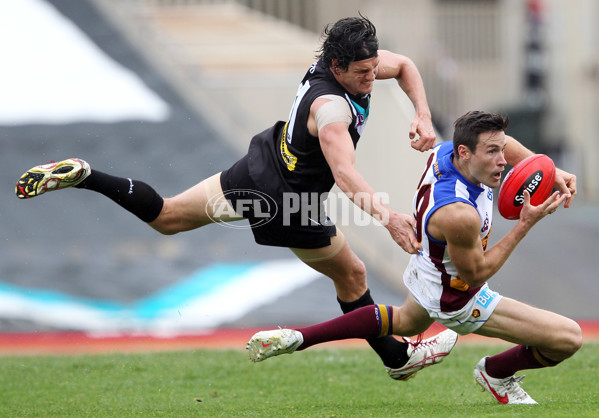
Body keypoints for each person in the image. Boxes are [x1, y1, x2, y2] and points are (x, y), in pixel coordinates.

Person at [15, 16, 449, 379]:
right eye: (363, 72)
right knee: (353, 276)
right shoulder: (331, 110)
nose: (372, 78)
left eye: (374, 68)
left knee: (167, 217)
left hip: (259, 168)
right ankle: (398, 358)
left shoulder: (354, 66)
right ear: (336, 66)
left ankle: (88, 176)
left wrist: (423, 114)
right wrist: (388, 217)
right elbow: (345, 174)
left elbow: (406, 65)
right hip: (289, 204)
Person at [246, 111, 582, 405]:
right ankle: (496, 372)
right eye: (492, 153)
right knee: (568, 339)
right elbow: (478, 273)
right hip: (459, 296)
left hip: (428, 266)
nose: (503, 161)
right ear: (466, 153)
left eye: (501, 150)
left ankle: (298, 338)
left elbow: (503, 144)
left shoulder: (449, 153)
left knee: (405, 321)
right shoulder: (459, 214)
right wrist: (524, 225)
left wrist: (548, 170)